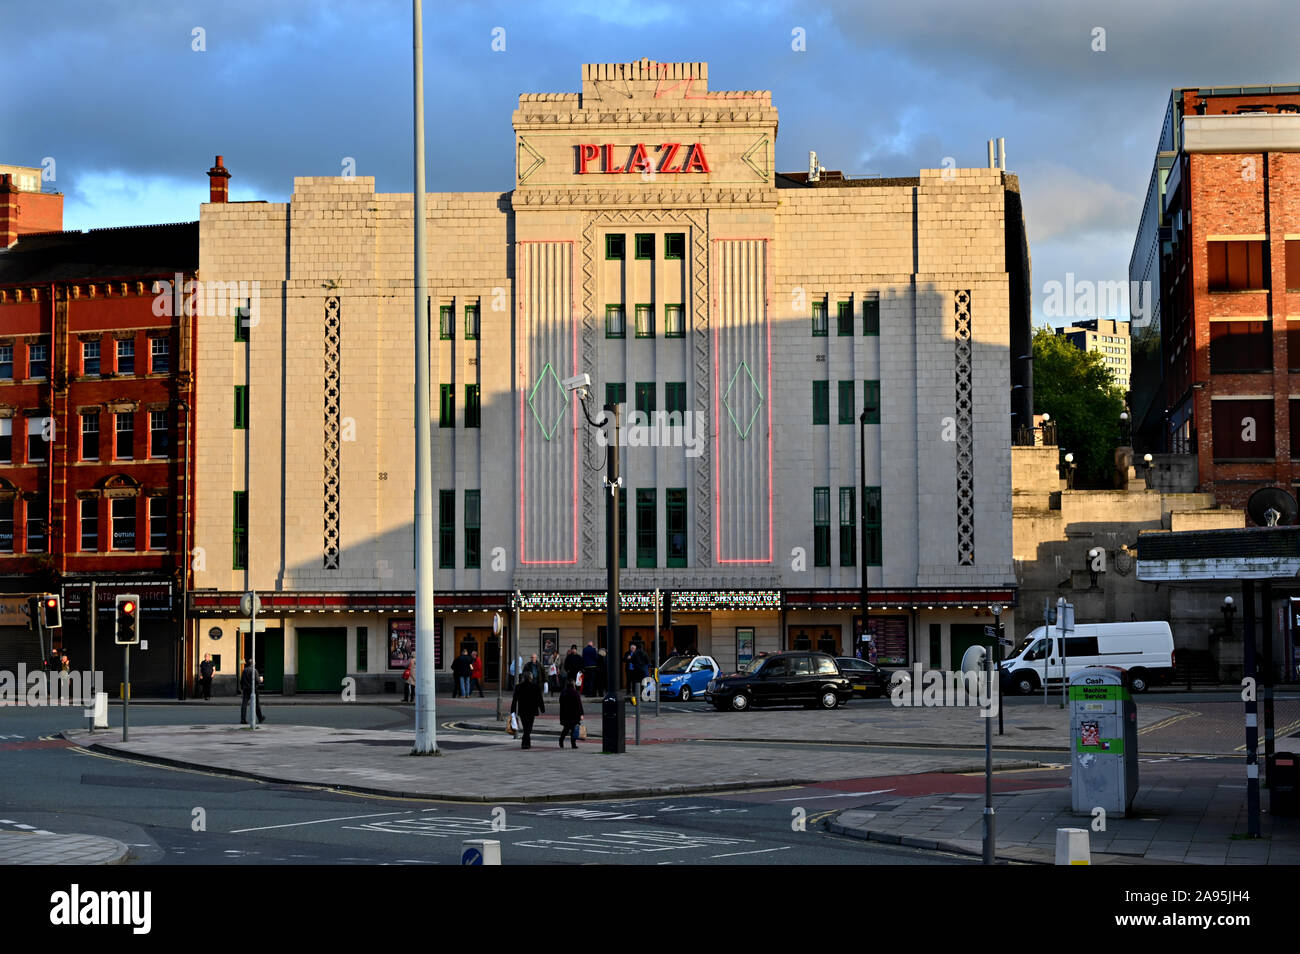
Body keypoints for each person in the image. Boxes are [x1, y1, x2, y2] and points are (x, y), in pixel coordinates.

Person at [509, 671, 544, 749]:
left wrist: (513, 710)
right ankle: (526, 743)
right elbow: (540, 699)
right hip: (532, 710)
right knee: (529, 727)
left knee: (525, 727)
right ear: (531, 677)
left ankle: (525, 743)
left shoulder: (518, 687)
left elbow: (514, 700)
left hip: (523, 710)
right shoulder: (535, 686)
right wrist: (542, 708)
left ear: (524, 677)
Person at [559, 677, 584, 748]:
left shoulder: (563, 692)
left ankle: (561, 740)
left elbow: (560, 702)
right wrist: (581, 714)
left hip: (565, 714)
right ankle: (573, 744)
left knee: (566, 729)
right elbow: (579, 704)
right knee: (573, 729)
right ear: (573, 684)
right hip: (574, 714)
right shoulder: (575, 692)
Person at [239, 659, 265, 724]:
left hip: (245, 689)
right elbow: (257, 681)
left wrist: (242, 688)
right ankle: (260, 718)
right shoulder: (254, 670)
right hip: (253, 689)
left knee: (244, 704)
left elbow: (241, 681)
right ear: (253, 664)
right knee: (256, 704)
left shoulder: (244, 670)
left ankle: (243, 719)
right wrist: (261, 680)